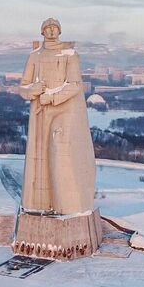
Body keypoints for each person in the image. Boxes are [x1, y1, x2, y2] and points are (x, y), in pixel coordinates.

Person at [19, 18, 95, 215]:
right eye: (48, 28)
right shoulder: (35, 56)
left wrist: (51, 97)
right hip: (40, 113)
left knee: (61, 154)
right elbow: (23, 87)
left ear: (59, 31)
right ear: (42, 32)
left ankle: (68, 205)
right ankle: (41, 204)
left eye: (55, 28)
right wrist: (32, 90)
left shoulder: (70, 55)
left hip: (63, 109)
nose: (51, 32)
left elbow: (75, 85)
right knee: (40, 157)